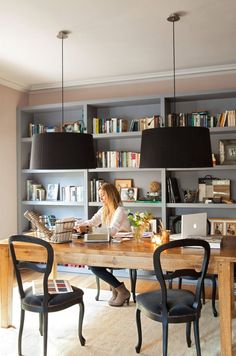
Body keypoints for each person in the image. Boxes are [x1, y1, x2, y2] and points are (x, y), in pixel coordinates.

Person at [75, 182, 131, 307]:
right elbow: (92, 221)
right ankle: (117, 289)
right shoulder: (104, 209)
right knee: (93, 264)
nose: (101, 198)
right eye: (100, 196)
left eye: (103, 196)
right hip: (111, 246)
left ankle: (122, 290)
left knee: (94, 266)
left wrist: (87, 229)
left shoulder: (120, 210)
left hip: (124, 248)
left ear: (110, 195)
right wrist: (81, 225)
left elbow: (112, 231)